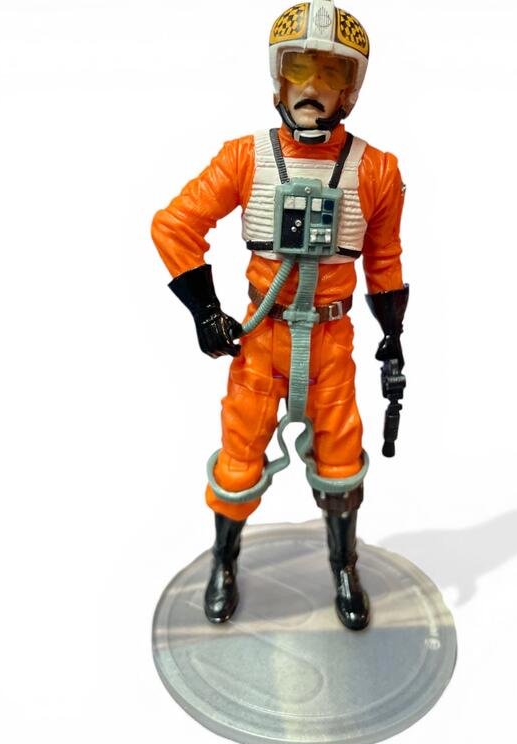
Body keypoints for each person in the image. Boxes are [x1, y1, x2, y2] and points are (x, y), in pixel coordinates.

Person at [151, 0, 408, 631]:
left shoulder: (377, 170)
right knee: (238, 456)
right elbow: (175, 225)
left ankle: (344, 565)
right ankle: (224, 561)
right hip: (260, 341)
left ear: (350, 90)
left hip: (332, 343)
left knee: (341, 460)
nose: (313, 86)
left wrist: (394, 336)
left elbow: (384, 257)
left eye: (331, 72)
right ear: (278, 78)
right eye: (300, 68)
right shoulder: (245, 158)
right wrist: (206, 313)